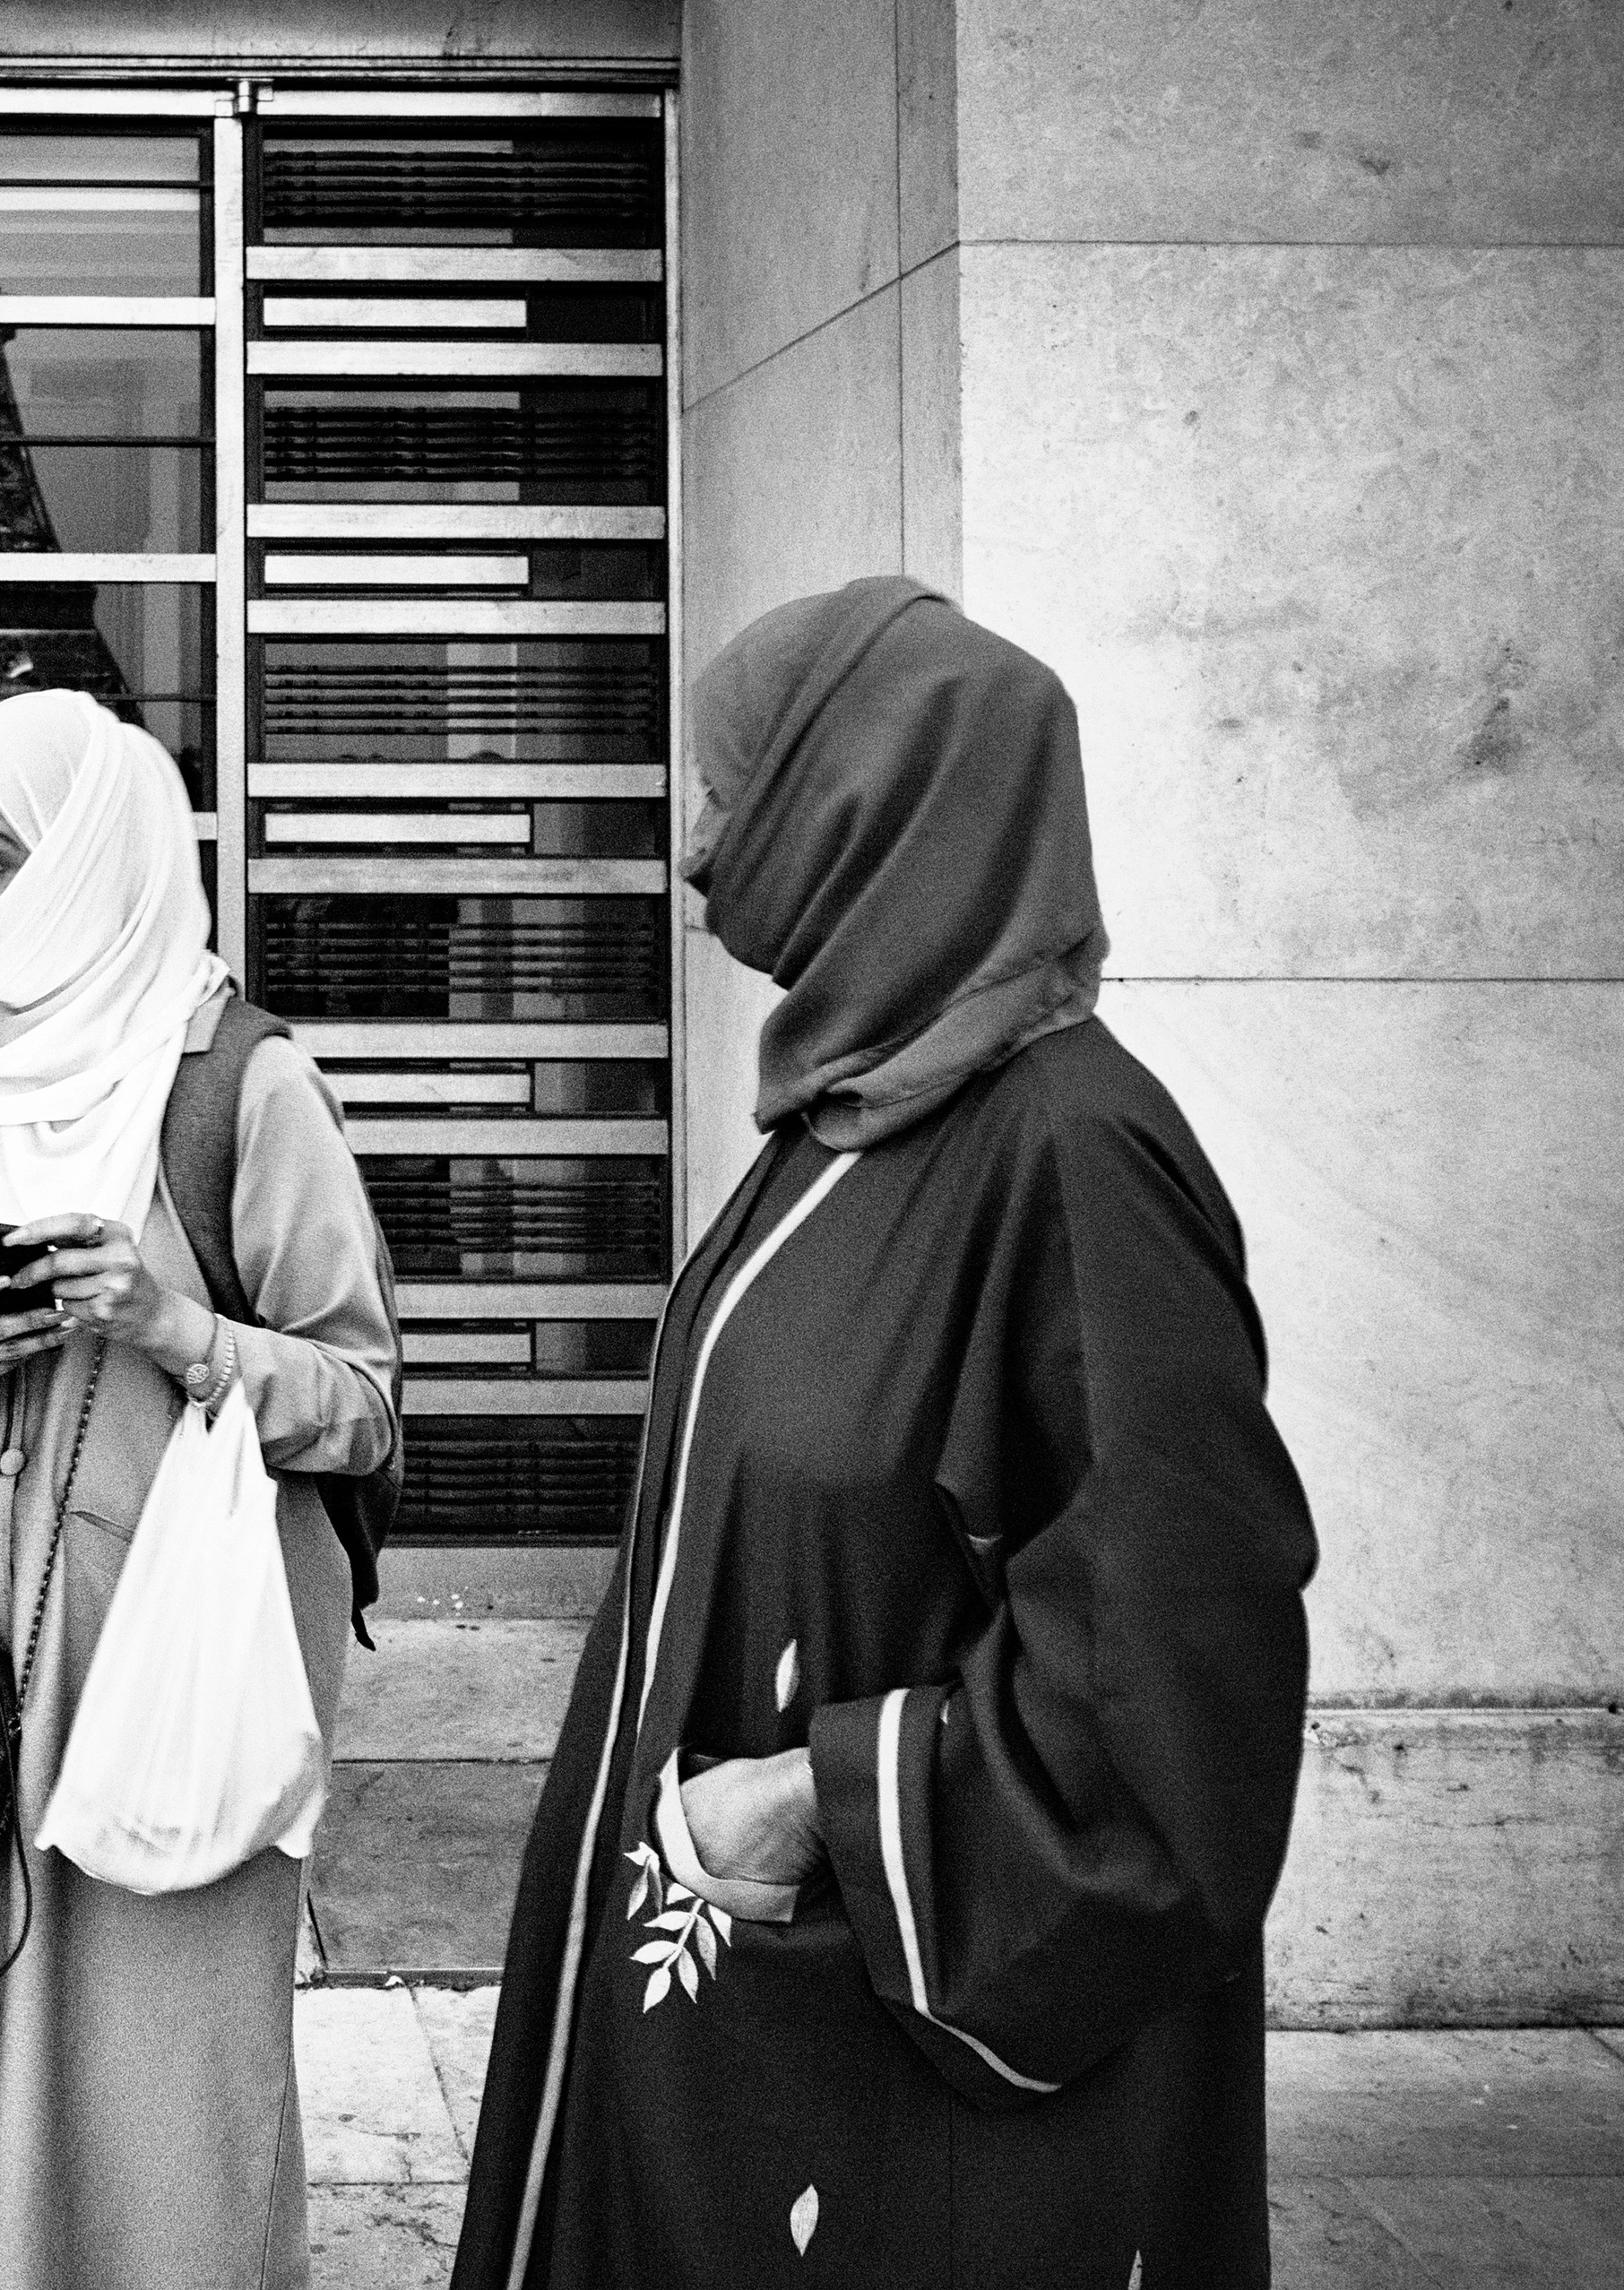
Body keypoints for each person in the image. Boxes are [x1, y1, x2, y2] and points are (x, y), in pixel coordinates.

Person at [449, 579, 1317, 2286]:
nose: (694, 845)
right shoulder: (860, 1111)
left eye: (729, 788)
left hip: (900, 2111)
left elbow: (1181, 1703)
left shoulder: (1074, 1157)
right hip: (734, 2044)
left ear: (859, 804)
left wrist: (817, 1800)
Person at [0, 688, 402, 2290]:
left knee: (139, 2115)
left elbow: (367, 1407)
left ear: (89, 865)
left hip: (147, 1701)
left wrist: (175, 1325)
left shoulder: (237, 1087)